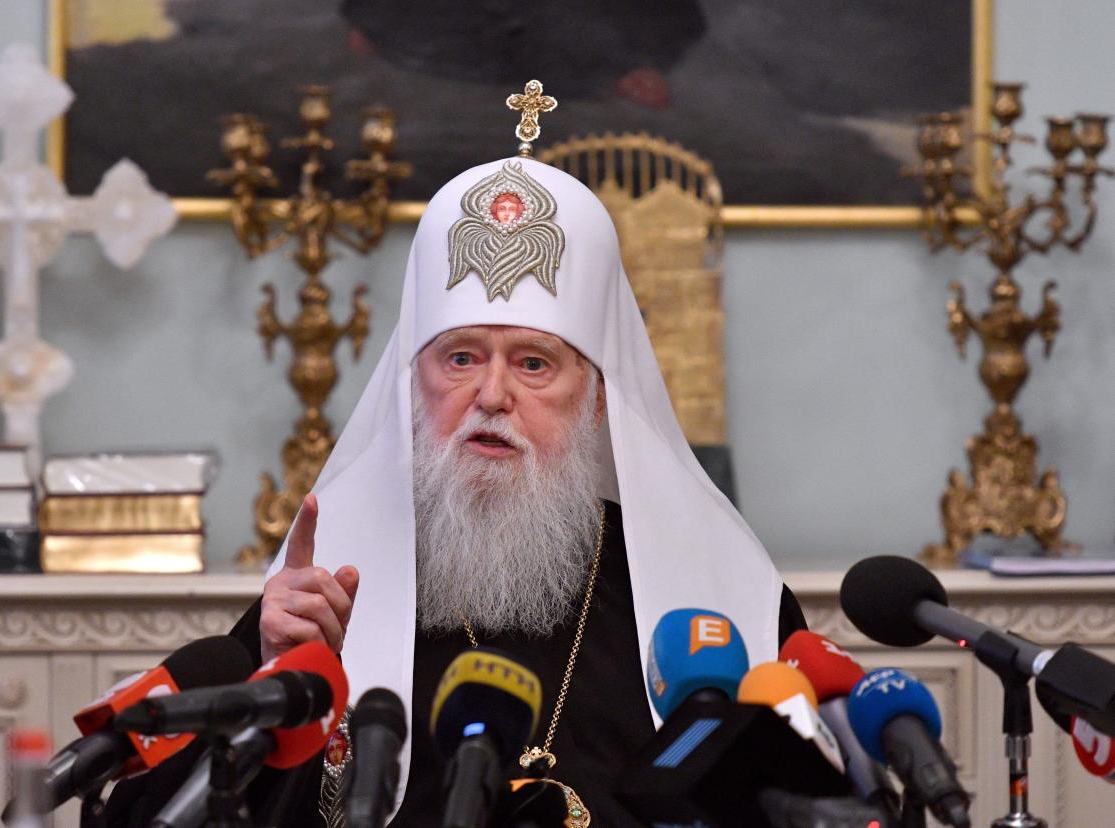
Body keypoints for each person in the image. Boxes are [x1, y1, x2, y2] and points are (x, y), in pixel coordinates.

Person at [109, 144, 805, 828]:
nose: (491, 395)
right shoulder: (327, 592)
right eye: (461, 357)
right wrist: (284, 684)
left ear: (596, 401)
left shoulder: (708, 599)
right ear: (416, 383)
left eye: (534, 364)